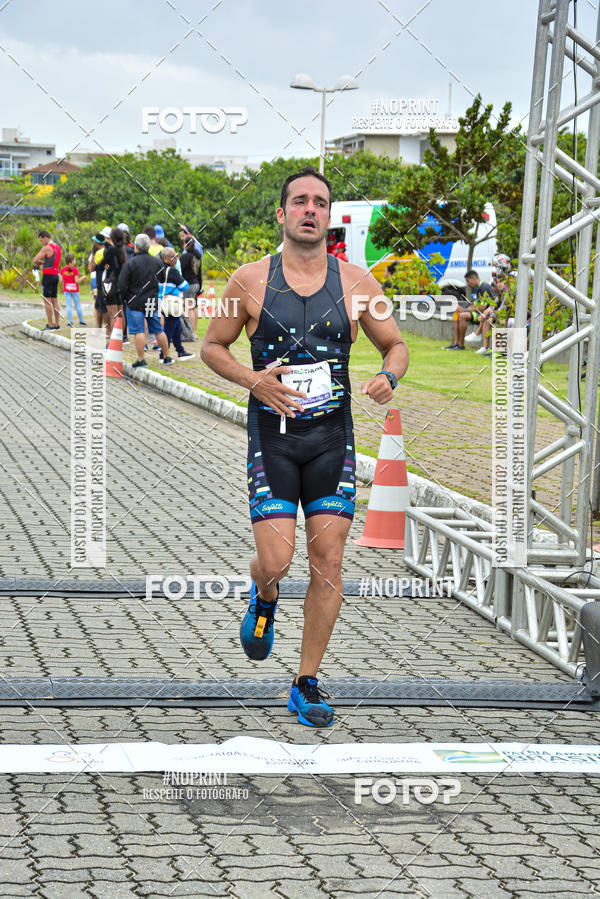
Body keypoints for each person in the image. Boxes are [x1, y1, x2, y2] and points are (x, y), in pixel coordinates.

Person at [201, 166, 408, 727]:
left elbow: (395, 345)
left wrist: (390, 375)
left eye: (319, 202)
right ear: (283, 213)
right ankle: (263, 595)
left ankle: (306, 681)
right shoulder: (248, 280)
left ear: (328, 215)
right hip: (272, 438)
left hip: (331, 439)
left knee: (329, 559)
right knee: (277, 558)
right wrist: (254, 380)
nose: (310, 210)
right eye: (300, 202)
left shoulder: (359, 284)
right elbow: (212, 347)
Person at [117, 233, 173, 367]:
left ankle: (141, 359)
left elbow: (122, 285)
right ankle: (167, 357)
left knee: (138, 331)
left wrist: (124, 299)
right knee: (158, 329)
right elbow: (161, 279)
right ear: (148, 246)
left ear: (135, 246)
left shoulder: (130, 263)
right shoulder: (157, 262)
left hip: (134, 302)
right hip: (151, 302)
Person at [158, 247, 195, 361]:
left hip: (163, 301)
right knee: (169, 329)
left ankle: (180, 351)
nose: (176, 259)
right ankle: (163, 354)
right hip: (172, 303)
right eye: (173, 257)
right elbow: (185, 286)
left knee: (177, 327)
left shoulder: (160, 269)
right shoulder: (172, 271)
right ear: (165, 258)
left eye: (176, 256)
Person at [445, 269, 497, 350]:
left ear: (473, 278)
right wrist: (465, 308)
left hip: (484, 314)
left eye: (468, 281)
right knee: (456, 313)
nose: (468, 284)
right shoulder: (479, 287)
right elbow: (477, 304)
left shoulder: (484, 287)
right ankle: (455, 343)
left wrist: (464, 310)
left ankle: (461, 345)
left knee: (462, 315)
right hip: (480, 313)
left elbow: (482, 307)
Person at [33, 230, 62, 330]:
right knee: (55, 300)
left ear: (45, 237)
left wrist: (41, 263)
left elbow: (35, 259)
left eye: (41, 240)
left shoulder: (47, 248)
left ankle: (50, 325)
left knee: (47, 301)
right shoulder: (57, 247)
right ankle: (57, 324)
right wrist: (45, 262)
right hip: (55, 275)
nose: (41, 242)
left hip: (48, 276)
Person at [180, 234, 202, 340]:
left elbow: (180, 272)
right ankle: (194, 331)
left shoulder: (185, 257)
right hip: (196, 284)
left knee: (188, 308)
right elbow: (200, 273)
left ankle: (190, 333)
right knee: (193, 307)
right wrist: (200, 287)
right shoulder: (197, 256)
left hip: (188, 284)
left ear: (186, 245)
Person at [59, 254, 87, 326]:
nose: (75, 260)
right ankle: (81, 321)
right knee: (78, 305)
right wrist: (83, 277)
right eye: (74, 259)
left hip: (67, 290)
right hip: (75, 290)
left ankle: (70, 322)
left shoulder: (62, 270)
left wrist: (60, 275)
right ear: (70, 261)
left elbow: (61, 280)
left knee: (69, 306)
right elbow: (77, 281)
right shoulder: (75, 270)